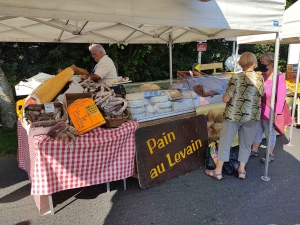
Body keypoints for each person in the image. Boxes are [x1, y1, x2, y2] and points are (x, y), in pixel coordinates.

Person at [205, 52, 264, 180]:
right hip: (252, 116)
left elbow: (226, 99)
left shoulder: (236, 78)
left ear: (241, 62)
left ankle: (218, 171)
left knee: (225, 142)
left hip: (233, 115)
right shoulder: (260, 78)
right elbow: (261, 94)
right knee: (246, 143)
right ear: (254, 62)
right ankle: (242, 170)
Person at [251, 53, 287, 163]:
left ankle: (270, 153)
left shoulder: (279, 77)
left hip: (270, 108)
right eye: (261, 62)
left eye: (263, 63)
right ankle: (255, 149)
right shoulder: (262, 75)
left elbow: (281, 97)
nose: (261, 65)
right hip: (260, 107)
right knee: (257, 129)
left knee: (268, 130)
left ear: (271, 64)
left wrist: (276, 112)